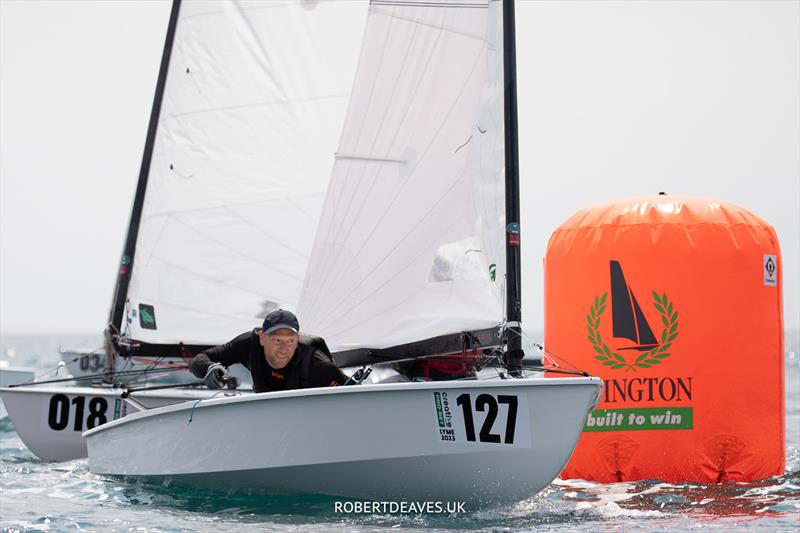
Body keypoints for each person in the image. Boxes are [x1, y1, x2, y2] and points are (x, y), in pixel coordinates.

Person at [188, 309, 347, 393]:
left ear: (297, 340)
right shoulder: (248, 345)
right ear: (263, 338)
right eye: (277, 340)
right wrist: (210, 368)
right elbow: (199, 359)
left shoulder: (318, 365)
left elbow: (350, 395)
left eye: (290, 341)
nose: (284, 349)